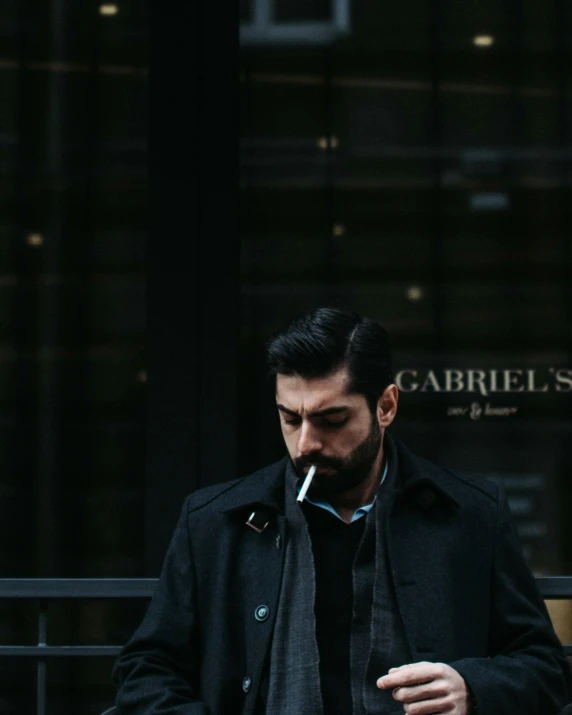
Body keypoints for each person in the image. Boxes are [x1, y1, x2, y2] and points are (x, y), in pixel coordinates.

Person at [112, 307, 571, 715]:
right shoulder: (215, 520)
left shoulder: (471, 512)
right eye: (290, 418)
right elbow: (146, 669)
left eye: (332, 421)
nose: (307, 442)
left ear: (386, 406)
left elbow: (544, 666)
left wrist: (472, 688)